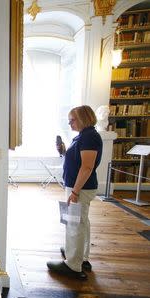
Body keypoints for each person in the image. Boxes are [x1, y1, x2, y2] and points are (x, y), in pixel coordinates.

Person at [47, 105, 103, 280]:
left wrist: (75, 192)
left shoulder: (89, 137)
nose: (70, 123)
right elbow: (79, 161)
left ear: (84, 118)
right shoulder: (85, 136)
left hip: (80, 188)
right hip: (80, 187)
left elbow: (87, 167)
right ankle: (81, 256)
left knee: (74, 225)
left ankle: (73, 265)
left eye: (72, 120)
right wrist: (64, 151)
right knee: (81, 223)